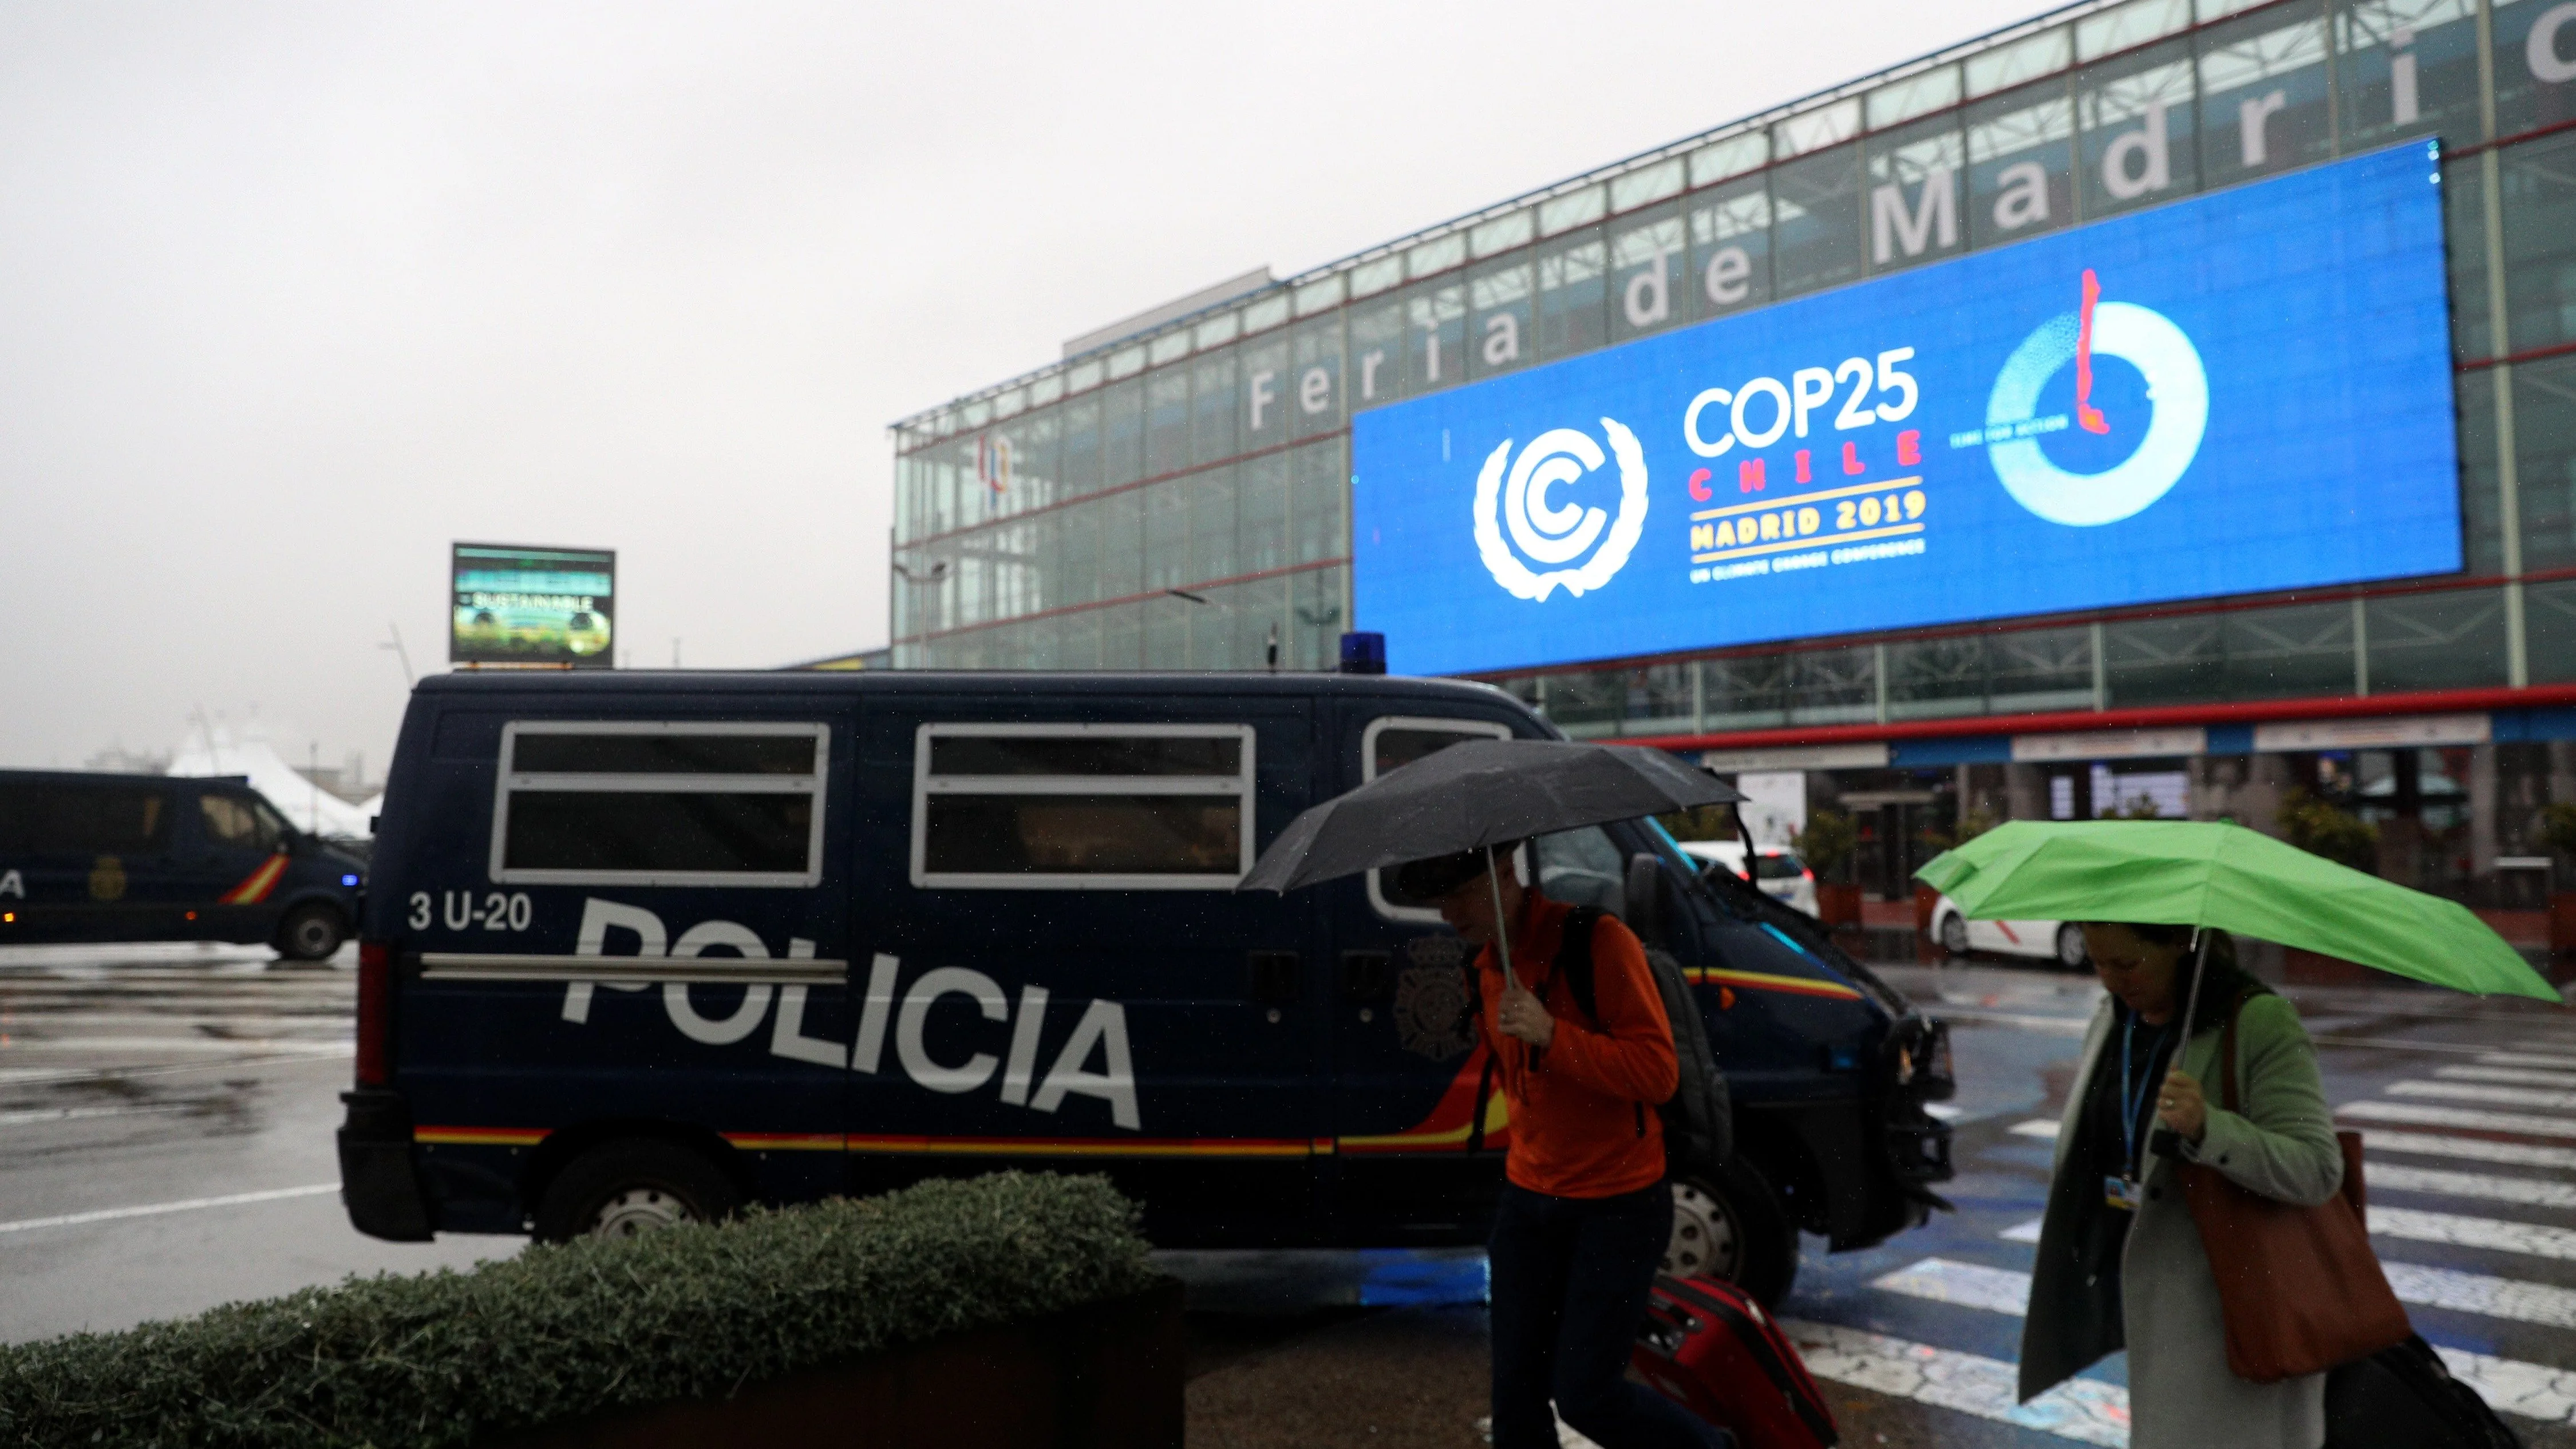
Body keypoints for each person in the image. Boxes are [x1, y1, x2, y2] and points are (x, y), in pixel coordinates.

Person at [1395, 844, 1727, 1449]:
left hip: (1617, 1203)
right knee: (1516, 1400)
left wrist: (1554, 1033)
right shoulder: (1487, 964)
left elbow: (1658, 1073)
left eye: (1460, 894)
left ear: (1504, 874)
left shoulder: (1597, 941)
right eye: (1436, 900)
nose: (1447, 914)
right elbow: (1522, 1086)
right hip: (1529, 1201)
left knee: (1587, 1394)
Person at [2018, 922, 2344, 1449]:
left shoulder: (2257, 1020)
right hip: (2148, 1298)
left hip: (2234, 1309)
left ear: (2178, 942)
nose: (2110, 980)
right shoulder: (2114, 1018)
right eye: (2099, 963)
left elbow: (2318, 1169)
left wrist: (2208, 1128)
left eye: (2126, 964)